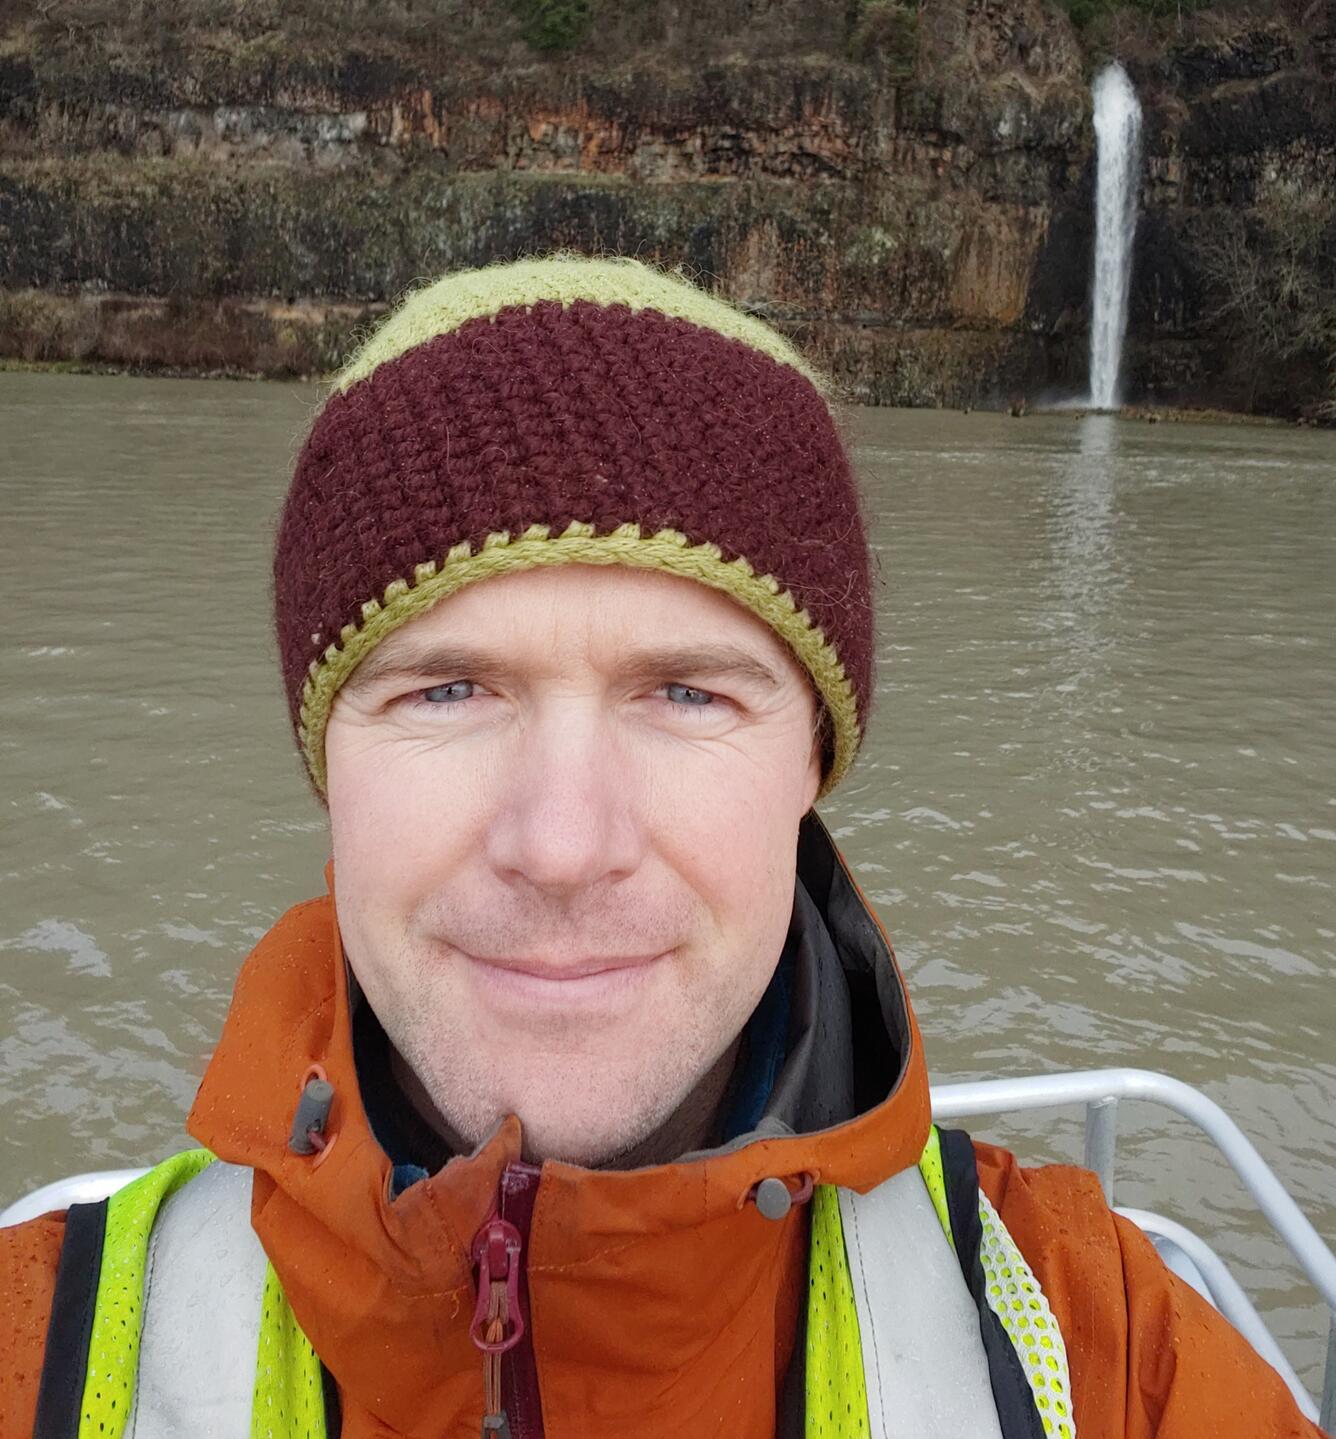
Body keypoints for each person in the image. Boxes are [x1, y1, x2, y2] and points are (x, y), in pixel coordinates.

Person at [1, 255, 1324, 1439]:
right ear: (326, 763)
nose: (564, 844)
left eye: (688, 693)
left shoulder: (1117, 1367)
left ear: (812, 759)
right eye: (445, 691)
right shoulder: (36, 1345)